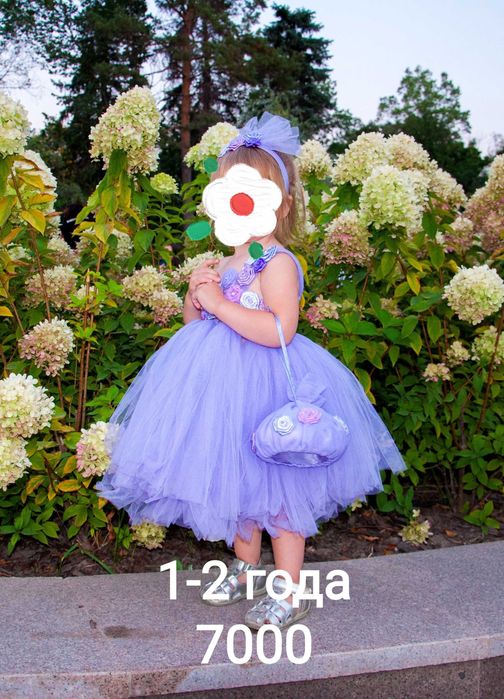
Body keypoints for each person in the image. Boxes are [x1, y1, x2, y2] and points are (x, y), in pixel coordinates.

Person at [95, 113, 408, 631]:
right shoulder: (227, 260)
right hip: (220, 389)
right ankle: (246, 568)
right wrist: (196, 294)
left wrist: (220, 304)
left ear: (279, 203)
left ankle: (290, 589)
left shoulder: (277, 262)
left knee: (279, 485)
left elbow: (280, 328)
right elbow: (195, 325)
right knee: (237, 481)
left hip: (268, 385)